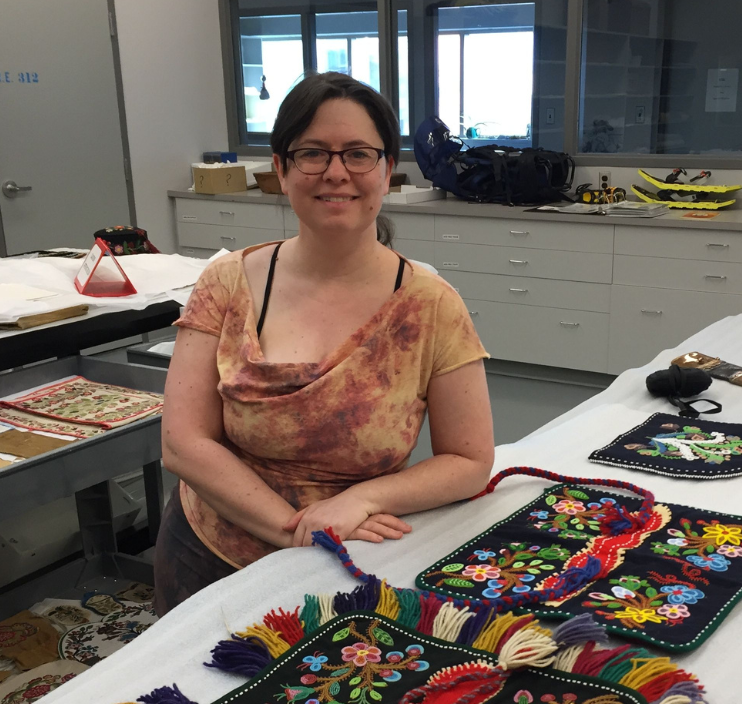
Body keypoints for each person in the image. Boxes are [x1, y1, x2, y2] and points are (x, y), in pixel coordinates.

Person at [154, 73, 495, 615]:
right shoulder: (227, 282)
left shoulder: (431, 306)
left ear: (387, 171)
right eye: (313, 153)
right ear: (282, 169)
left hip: (352, 566)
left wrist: (361, 499)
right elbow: (183, 442)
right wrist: (298, 532)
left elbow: (470, 459)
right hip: (209, 558)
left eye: (359, 154)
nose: (337, 173)